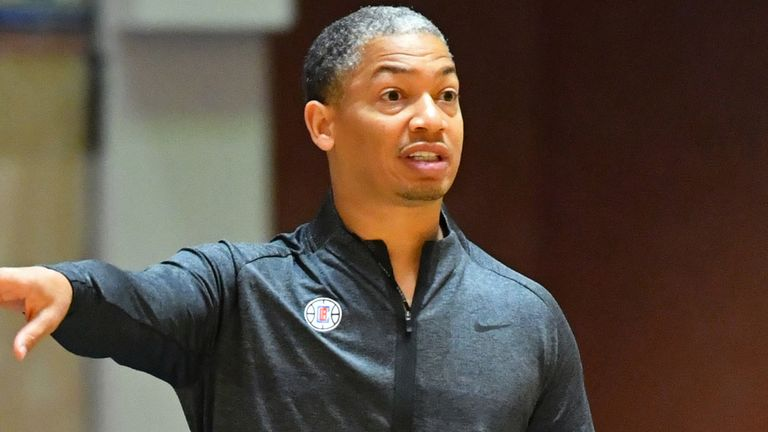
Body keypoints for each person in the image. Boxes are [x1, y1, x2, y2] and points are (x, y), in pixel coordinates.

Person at [0, 6, 594, 432]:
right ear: (322, 124)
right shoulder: (241, 290)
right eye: (393, 96)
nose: (430, 119)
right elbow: (138, 300)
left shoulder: (525, 316)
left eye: (447, 96)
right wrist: (70, 288)